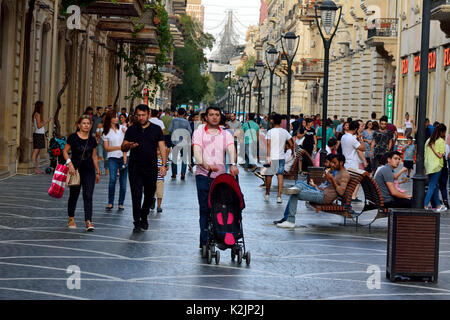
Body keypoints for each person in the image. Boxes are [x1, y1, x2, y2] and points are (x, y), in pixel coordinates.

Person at [192, 106, 239, 250]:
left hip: (221, 178)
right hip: (203, 176)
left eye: (217, 115)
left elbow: (231, 149)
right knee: (205, 209)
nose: (214, 117)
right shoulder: (199, 132)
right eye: (211, 114)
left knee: (222, 208)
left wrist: (233, 164)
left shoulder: (226, 134)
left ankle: (223, 234)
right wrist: (205, 165)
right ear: (205, 117)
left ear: (220, 117)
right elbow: (197, 152)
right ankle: (204, 240)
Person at [121, 104, 167, 233]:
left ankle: (144, 215)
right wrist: (129, 145)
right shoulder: (132, 129)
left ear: (149, 114)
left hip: (151, 167)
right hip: (135, 168)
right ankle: (136, 221)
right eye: (138, 115)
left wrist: (164, 164)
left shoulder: (156, 129)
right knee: (136, 195)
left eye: (143, 115)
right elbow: (123, 147)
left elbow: (162, 147)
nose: (141, 118)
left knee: (149, 194)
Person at [276, 154, 350, 228]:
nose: (332, 165)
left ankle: (290, 221)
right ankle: (295, 188)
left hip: (324, 197)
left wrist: (332, 179)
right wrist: (329, 179)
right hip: (322, 193)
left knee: (295, 194)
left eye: (335, 163)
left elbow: (341, 192)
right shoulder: (339, 172)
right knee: (300, 183)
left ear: (341, 163)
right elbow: (334, 187)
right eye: (332, 163)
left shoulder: (345, 174)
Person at [63, 115, 100, 231]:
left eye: (88, 123)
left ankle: (88, 221)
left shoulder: (92, 139)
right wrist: (69, 164)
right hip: (75, 170)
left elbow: (94, 156)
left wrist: (98, 171)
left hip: (89, 171)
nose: (86, 125)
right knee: (74, 195)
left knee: (88, 196)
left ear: (91, 125)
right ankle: (71, 218)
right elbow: (65, 151)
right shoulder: (73, 137)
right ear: (79, 125)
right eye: (84, 123)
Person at [263, 114, 293, 204]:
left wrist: (268, 157)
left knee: (269, 176)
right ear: (280, 122)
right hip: (281, 157)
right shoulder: (285, 132)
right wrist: (290, 150)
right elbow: (291, 144)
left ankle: (267, 194)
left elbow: (268, 145)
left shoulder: (270, 132)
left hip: (272, 157)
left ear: (272, 121)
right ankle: (279, 196)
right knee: (280, 176)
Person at [102, 110, 128, 212]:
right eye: (115, 117)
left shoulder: (122, 128)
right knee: (112, 179)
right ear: (110, 119)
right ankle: (110, 202)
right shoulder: (106, 132)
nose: (117, 118)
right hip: (112, 158)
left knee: (123, 182)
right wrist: (119, 147)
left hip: (124, 157)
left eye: (117, 117)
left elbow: (129, 135)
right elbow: (107, 148)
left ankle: (121, 203)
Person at [424, 123, 447, 211]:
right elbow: (440, 156)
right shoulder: (441, 141)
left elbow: (425, 154)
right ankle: (425, 205)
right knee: (432, 185)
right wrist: (433, 147)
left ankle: (438, 205)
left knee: (435, 185)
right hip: (437, 166)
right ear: (442, 132)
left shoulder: (428, 140)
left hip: (429, 166)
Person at [168, 108, 192, 180]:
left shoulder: (173, 120)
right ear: (184, 114)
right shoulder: (186, 122)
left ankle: (174, 174)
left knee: (174, 157)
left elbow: (169, 130)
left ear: (177, 113)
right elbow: (190, 131)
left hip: (175, 141)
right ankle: (183, 173)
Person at [31, 101, 52, 174]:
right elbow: (39, 126)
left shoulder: (37, 114)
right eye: (42, 106)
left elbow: (38, 125)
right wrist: (47, 121)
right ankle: (33, 168)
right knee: (35, 152)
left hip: (39, 134)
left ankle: (36, 168)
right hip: (38, 135)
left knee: (37, 153)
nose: (43, 108)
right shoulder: (37, 114)